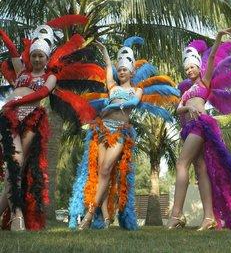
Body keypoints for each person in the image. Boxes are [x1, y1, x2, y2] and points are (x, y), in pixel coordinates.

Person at [69, 37, 180, 230]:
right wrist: (105, 52)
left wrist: (114, 104)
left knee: (105, 171)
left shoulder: (136, 90)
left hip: (120, 133)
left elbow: (132, 103)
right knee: (103, 171)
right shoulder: (113, 87)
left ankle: (89, 215)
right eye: (119, 69)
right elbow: (108, 71)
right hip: (102, 129)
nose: (121, 72)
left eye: (124, 69)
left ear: (132, 71)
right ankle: (104, 217)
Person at [168, 28, 231, 230]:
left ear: (199, 67)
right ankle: (209, 217)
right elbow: (178, 109)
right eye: (187, 68)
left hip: (201, 125)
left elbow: (213, 56)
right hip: (188, 128)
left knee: (182, 164)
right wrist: (187, 106)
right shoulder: (186, 91)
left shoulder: (204, 82)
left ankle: (176, 214)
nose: (189, 70)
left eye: (192, 67)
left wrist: (217, 38)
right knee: (200, 169)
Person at [0, 28, 56, 231]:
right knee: (15, 162)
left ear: (47, 58)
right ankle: (17, 215)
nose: (37, 59)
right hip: (10, 117)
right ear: (30, 56)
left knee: (19, 167)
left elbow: (42, 93)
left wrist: (17, 100)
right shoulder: (21, 70)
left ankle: (10, 215)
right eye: (34, 55)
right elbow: (13, 49)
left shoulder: (51, 77)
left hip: (32, 118)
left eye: (41, 56)